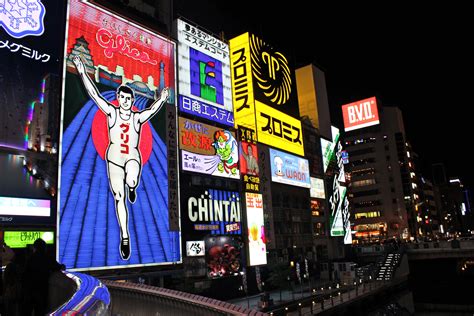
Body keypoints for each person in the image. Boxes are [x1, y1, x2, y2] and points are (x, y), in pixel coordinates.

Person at [73, 55, 170, 260]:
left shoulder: (137, 117)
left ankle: (133, 186)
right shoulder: (111, 112)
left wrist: (161, 99)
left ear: (132, 101)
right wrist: (82, 71)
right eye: (122, 98)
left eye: (128, 99)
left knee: (132, 179)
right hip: (114, 159)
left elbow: (151, 110)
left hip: (133, 157)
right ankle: (125, 236)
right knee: (119, 197)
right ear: (119, 98)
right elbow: (95, 95)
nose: (125, 101)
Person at [22, 238, 61, 316]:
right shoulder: (48, 258)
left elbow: (24, 274)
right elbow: (57, 267)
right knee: (40, 311)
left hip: (30, 290)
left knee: (28, 311)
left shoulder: (30, 258)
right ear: (44, 247)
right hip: (42, 289)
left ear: (35, 247)